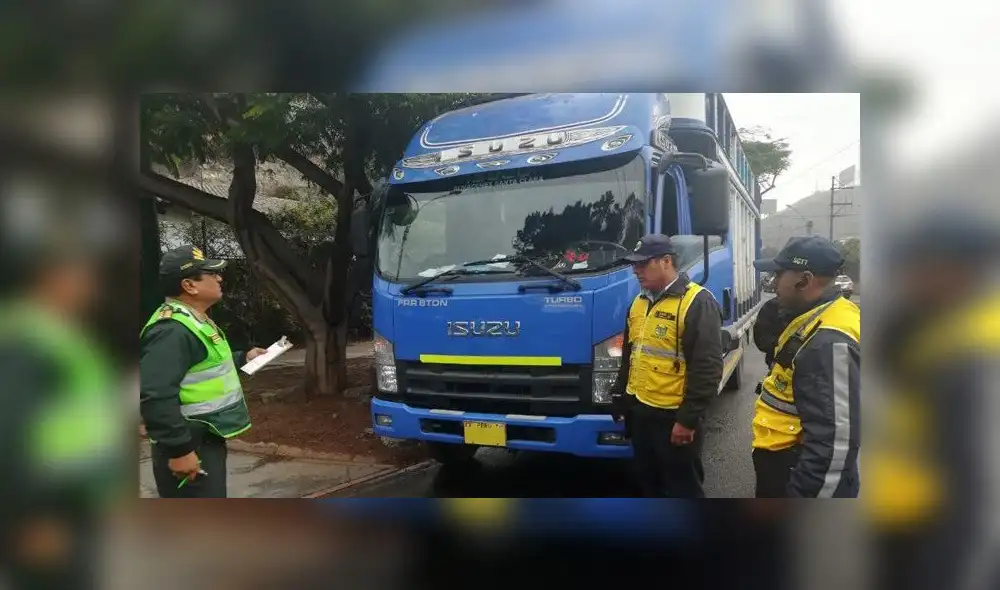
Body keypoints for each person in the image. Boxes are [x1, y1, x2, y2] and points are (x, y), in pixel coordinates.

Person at [140, 245, 267, 498]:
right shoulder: (171, 330)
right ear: (189, 286)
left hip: (204, 437)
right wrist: (180, 451)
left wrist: (244, 357)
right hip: (188, 444)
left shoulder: (193, 320)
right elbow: (155, 394)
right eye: (211, 273)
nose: (219, 278)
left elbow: (200, 364)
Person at [609, 234, 723, 498]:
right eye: (633, 265)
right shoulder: (639, 303)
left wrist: (688, 420)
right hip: (641, 414)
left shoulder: (696, 302)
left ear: (666, 261)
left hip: (672, 418)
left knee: (683, 488)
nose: (635, 271)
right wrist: (621, 396)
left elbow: (707, 369)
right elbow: (631, 355)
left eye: (642, 264)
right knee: (648, 484)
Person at [750, 236, 861, 498]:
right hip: (785, 461)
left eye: (779, 274)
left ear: (805, 279)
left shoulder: (827, 341)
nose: (774, 283)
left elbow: (834, 449)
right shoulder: (816, 316)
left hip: (794, 470)